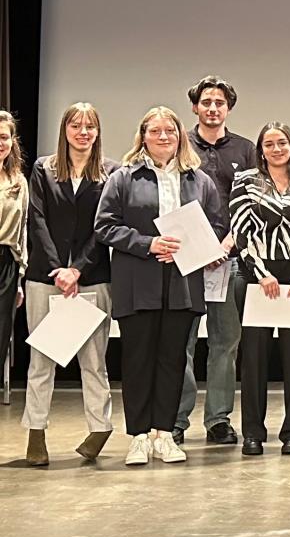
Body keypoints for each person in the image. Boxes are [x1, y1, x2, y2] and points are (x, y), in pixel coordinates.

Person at [96, 106, 227, 466]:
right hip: (139, 281)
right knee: (137, 361)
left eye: (170, 130)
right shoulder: (123, 177)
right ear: (143, 137)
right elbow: (105, 226)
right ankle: (138, 436)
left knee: (173, 361)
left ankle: (165, 434)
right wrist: (148, 244)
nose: (164, 136)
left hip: (183, 283)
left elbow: (216, 226)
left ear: (180, 135)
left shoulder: (199, 180)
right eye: (156, 131)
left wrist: (194, 245)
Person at [22, 103, 118, 466]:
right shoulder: (43, 168)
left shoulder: (112, 173)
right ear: (65, 130)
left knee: (93, 361)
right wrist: (59, 269)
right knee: (41, 359)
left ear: (97, 132)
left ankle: (100, 427)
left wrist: (77, 269)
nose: (83, 132)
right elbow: (37, 220)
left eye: (90, 126)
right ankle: (35, 433)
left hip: (92, 279)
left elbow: (105, 227)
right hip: (45, 278)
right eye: (76, 125)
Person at [231, 122, 290, 456]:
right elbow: (240, 232)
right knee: (254, 358)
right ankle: (253, 433)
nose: (276, 149)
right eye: (269, 144)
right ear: (261, 150)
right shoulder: (245, 181)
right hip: (259, 277)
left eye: (281, 142)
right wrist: (260, 273)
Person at [175, 75, 255, 446]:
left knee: (226, 343)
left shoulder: (246, 150)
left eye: (219, 103)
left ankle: (219, 420)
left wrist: (226, 246)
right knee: (182, 343)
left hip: (229, 261)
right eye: (206, 102)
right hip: (184, 264)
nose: (212, 108)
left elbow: (252, 205)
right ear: (195, 107)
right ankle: (176, 419)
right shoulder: (177, 146)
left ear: (228, 108)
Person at [0, 110, 26, 410]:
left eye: (4, 137)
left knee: (1, 333)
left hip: (6, 264)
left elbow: (23, 230)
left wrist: (19, 276)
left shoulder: (18, 180)